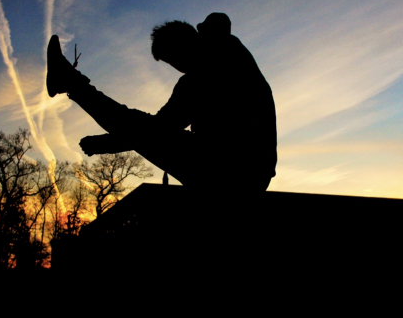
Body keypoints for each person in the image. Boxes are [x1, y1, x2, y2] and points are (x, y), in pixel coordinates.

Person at [47, 12, 277, 194]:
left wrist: (111, 142)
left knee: (137, 124)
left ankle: (71, 82)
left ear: (185, 45)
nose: (177, 67)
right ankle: (71, 83)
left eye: (174, 59)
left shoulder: (217, 59)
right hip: (240, 167)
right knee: (141, 126)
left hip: (236, 169)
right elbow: (160, 128)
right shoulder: (209, 67)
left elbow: (161, 129)